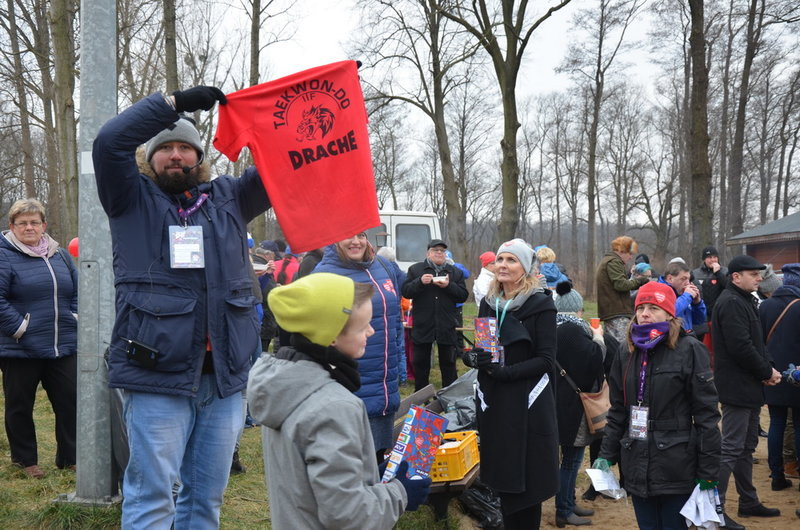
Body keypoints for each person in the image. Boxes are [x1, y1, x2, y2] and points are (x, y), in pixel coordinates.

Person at [93, 86, 270, 528]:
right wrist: (172, 104)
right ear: (150, 157)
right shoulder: (128, 198)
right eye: (166, 148)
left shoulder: (230, 197)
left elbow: (280, 162)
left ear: (200, 156)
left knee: (205, 502)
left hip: (225, 379)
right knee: (153, 498)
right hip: (158, 377)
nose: (176, 156)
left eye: (185, 148)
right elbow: (108, 142)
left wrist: (316, 102)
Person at [246, 273, 430, 529]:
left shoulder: (286, 388)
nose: (371, 330)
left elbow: (308, 479)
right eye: (362, 325)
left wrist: (367, 471)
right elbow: (348, 515)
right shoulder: (334, 406)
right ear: (331, 336)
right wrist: (401, 494)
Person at [595, 281, 721, 530]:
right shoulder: (626, 350)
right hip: (636, 460)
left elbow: (706, 415)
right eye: (641, 307)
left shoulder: (690, 349)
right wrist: (606, 455)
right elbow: (618, 409)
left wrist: (708, 471)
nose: (644, 314)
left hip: (677, 463)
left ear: (669, 313)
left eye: (653, 307)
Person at [462, 238, 559, 529]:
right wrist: (472, 359)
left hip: (528, 404)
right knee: (503, 481)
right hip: (496, 405)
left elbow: (546, 360)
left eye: (511, 260)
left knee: (528, 487)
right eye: (500, 260)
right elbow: (484, 349)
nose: (503, 265)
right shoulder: (488, 304)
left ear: (525, 268)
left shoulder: (540, 305)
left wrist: (506, 373)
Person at [0, 198, 78, 479]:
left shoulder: (59, 254)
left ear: (44, 225)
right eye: (22, 223)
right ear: (12, 226)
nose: (29, 227)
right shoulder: (4, 254)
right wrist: (20, 328)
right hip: (20, 347)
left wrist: (76, 317)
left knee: (70, 401)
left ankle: (70, 457)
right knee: (20, 405)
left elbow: (77, 290)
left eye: (34, 222)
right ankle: (25, 461)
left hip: (63, 344)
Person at [314, 233, 406, 459]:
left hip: (385, 385)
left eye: (361, 235)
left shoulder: (383, 266)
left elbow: (395, 320)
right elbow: (316, 336)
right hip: (351, 383)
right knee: (354, 462)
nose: (355, 241)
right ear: (334, 239)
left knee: (377, 458)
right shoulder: (323, 274)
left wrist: (400, 361)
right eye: (346, 235)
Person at [712, 255, 782, 529]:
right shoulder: (730, 302)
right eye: (754, 274)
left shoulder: (745, 300)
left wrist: (768, 369)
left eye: (759, 274)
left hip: (749, 385)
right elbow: (740, 346)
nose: (759, 278)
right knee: (730, 448)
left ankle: (748, 501)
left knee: (745, 448)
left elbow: (757, 342)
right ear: (736, 276)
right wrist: (766, 372)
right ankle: (713, 509)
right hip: (736, 387)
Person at [552, 284, 605, 527]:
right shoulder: (574, 330)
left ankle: (569, 502)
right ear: (578, 310)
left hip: (559, 402)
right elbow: (594, 361)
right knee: (572, 459)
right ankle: (564, 510)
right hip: (574, 405)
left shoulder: (553, 328)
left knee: (569, 458)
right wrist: (599, 338)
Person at [401, 239, 468, 390]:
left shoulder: (454, 272)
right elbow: (406, 291)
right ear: (428, 253)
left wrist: (448, 286)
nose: (439, 253)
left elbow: (463, 295)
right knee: (420, 363)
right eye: (435, 250)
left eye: (442, 251)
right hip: (423, 324)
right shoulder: (416, 270)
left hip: (446, 324)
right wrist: (419, 282)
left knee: (449, 364)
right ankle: (421, 395)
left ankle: (449, 395)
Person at [759, 263, 800, 492]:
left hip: (772, 374)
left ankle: (776, 475)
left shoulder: (765, 306)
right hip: (797, 376)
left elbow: (759, 340)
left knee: (776, 424)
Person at [596, 236, 651, 343]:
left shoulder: (608, 261)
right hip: (617, 313)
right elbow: (621, 285)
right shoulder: (614, 262)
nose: (631, 257)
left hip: (612, 312)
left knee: (613, 346)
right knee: (622, 346)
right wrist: (641, 281)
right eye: (630, 254)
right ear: (622, 251)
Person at [692, 246, 727, 352]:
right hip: (703, 315)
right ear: (704, 259)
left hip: (720, 314)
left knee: (719, 345)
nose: (713, 260)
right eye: (709, 257)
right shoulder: (695, 273)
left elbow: (728, 287)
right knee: (705, 347)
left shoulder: (725, 271)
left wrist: (718, 273)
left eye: (715, 257)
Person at [657, 261, 706, 333]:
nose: (687, 283)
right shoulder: (659, 292)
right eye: (683, 279)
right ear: (670, 279)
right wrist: (687, 296)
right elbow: (669, 313)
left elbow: (699, 320)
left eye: (688, 279)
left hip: (686, 339)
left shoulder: (682, 294)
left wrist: (697, 303)